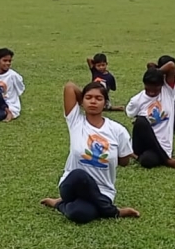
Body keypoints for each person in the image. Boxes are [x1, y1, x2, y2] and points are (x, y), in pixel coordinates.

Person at [40, 81, 140, 223]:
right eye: (89, 98)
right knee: (80, 175)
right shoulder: (76, 122)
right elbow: (69, 87)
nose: (93, 101)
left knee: (80, 214)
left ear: (106, 103)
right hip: (72, 187)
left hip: (103, 191)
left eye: (99, 99)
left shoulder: (118, 130)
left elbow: (124, 162)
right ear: (81, 101)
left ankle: (58, 204)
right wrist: (83, 100)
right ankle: (114, 212)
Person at [126, 61, 175, 169]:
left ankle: (138, 157)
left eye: (155, 90)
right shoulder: (137, 100)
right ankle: (167, 161)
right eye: (148, 89)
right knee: (141, 121)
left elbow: (171, 65)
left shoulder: (167, 91)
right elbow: (132, 117)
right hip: (144, 143)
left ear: (162, 85)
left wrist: (156, 73)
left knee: (147, 161)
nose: (151, 93)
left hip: (161, 146)